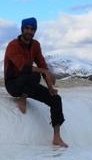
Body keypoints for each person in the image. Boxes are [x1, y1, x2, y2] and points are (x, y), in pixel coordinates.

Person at [4, 17, 68, 147]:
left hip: (28, 84)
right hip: (13, 85)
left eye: (32, 29)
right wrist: (44, 72)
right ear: (22, 29)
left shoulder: (35, 45)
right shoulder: (13, 45)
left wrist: (50, 87)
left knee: (55, 99)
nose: (29, 31)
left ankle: (57, 137)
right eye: (27, 28)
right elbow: (23, 67)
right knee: (34, 74)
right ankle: (22, 98)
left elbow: (42, 64)